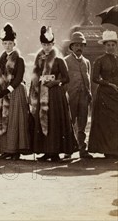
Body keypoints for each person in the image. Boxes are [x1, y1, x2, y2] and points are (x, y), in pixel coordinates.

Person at [29, 26, 77, 162]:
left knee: (54, 121)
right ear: (41, 45)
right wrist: (38, 81)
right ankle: (46, 151)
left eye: (49, 44)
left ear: (53, 44)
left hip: (55, 94)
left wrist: (55, 82)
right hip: (42, 93)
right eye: (44, 44)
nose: (47, 47)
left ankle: (55, 151)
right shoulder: (39, 59)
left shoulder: (59, 60)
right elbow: (35, 77)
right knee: (44, 121)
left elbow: (66, 78)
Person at [0, 23, 31, 160]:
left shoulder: (19, 59)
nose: (8, 46)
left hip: (15, 91)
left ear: (14, 43)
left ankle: (15, 150)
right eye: (5, 43)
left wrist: (7, 90)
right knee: (2, 119)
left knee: (14, 120)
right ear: (2, 44)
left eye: (10, 43)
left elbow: (18, 78)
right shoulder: (1, 58)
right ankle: (6, 149)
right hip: (2, 92)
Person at [63, 31, 93, 159]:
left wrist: (89, 93)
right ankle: (68, 150)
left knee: (83, 122)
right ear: (71, 47)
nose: (79, 48)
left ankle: (82, 149)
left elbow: (88, 79)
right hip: (71, 96)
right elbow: (63, 79)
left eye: (81, 45)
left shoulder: (86, 62)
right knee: (70, 122)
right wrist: (65, 95)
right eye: (76, 45)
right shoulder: (66, 61)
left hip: (84, 97)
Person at [88, 30, 118, 158]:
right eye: (108, 45)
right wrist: (108, 84)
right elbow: (94, 78)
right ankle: (107, 150)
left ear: (116, 46)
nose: (110, 47)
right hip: (104, 95)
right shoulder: (99, 60)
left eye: (113, 45)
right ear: (104, 46)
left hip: (116, 94)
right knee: (106, 122)